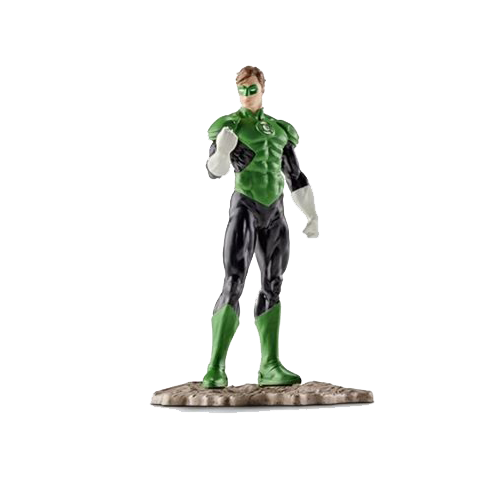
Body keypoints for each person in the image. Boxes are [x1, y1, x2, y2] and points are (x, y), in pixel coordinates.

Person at [202, 65, 320, 388]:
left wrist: (311, 214)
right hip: (246, 207)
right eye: (241, 89)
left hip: (276, 211)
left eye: (252, 88)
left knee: (274, 283)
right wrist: (223, 151)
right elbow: (213, 171)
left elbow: (295, 175)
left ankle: (269, 365)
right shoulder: (230, 125)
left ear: (263, 88)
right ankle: (215, 367)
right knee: (233, 282)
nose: (247, 95)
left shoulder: (280, 130)